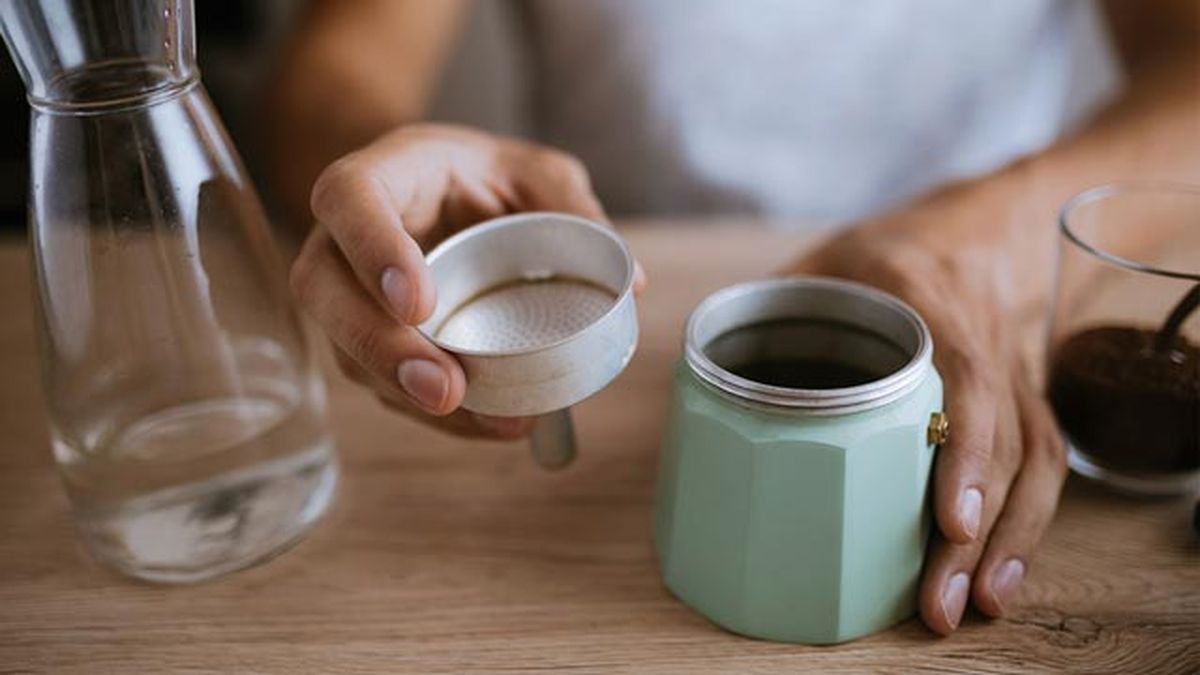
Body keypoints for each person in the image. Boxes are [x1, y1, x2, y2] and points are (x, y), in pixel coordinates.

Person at [265, 0, 1199, 635]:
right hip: (634, 281)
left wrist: (979, 249)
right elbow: (341, 55)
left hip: (990, 278)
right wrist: (374, 189)